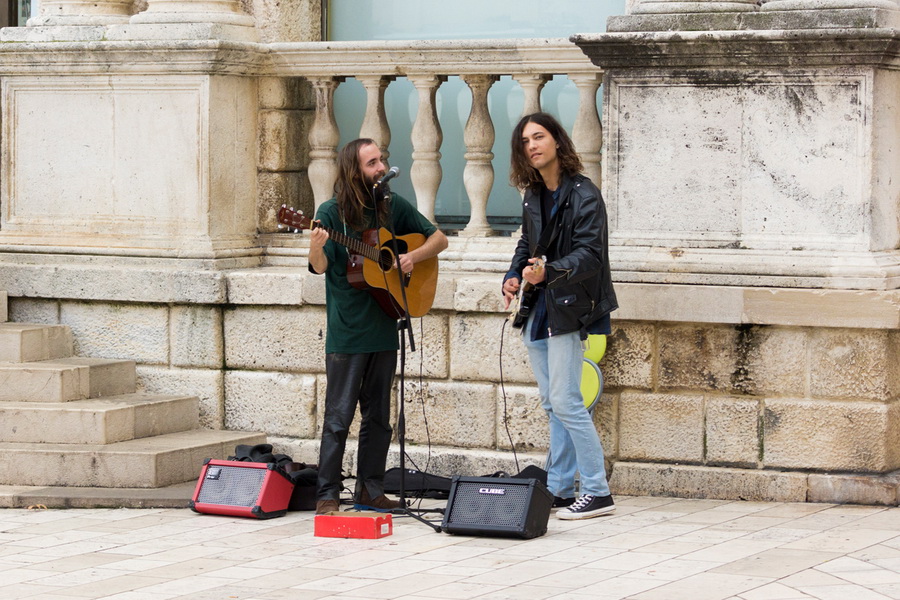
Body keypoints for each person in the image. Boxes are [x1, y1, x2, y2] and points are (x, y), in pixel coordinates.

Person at [308, 138, 448, 515]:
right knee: (338, 418)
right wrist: (316, 247)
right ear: (355, 171)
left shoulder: (390, 207)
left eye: (382, 159)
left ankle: (371, 489)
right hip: (348, 332)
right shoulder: (331, 213)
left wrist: (410, 257)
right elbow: (320, 267)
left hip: (385, 325)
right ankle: (327, 494)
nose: (382, 166)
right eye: (373, 162)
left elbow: (439, 238)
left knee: (379, 419)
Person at [501, 112, 618, 520]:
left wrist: (548, 272)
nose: (532, 145)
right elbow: (525, 242)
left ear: (556, 141)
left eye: (539, 137)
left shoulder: (585, 193)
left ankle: (598, 491)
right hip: (537, 308)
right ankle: (560, 488)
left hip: (569, 308)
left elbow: (590, 254)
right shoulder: (533, 194)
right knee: (553, 403)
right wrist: (514, 276)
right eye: (525, 141)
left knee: (568, 401)